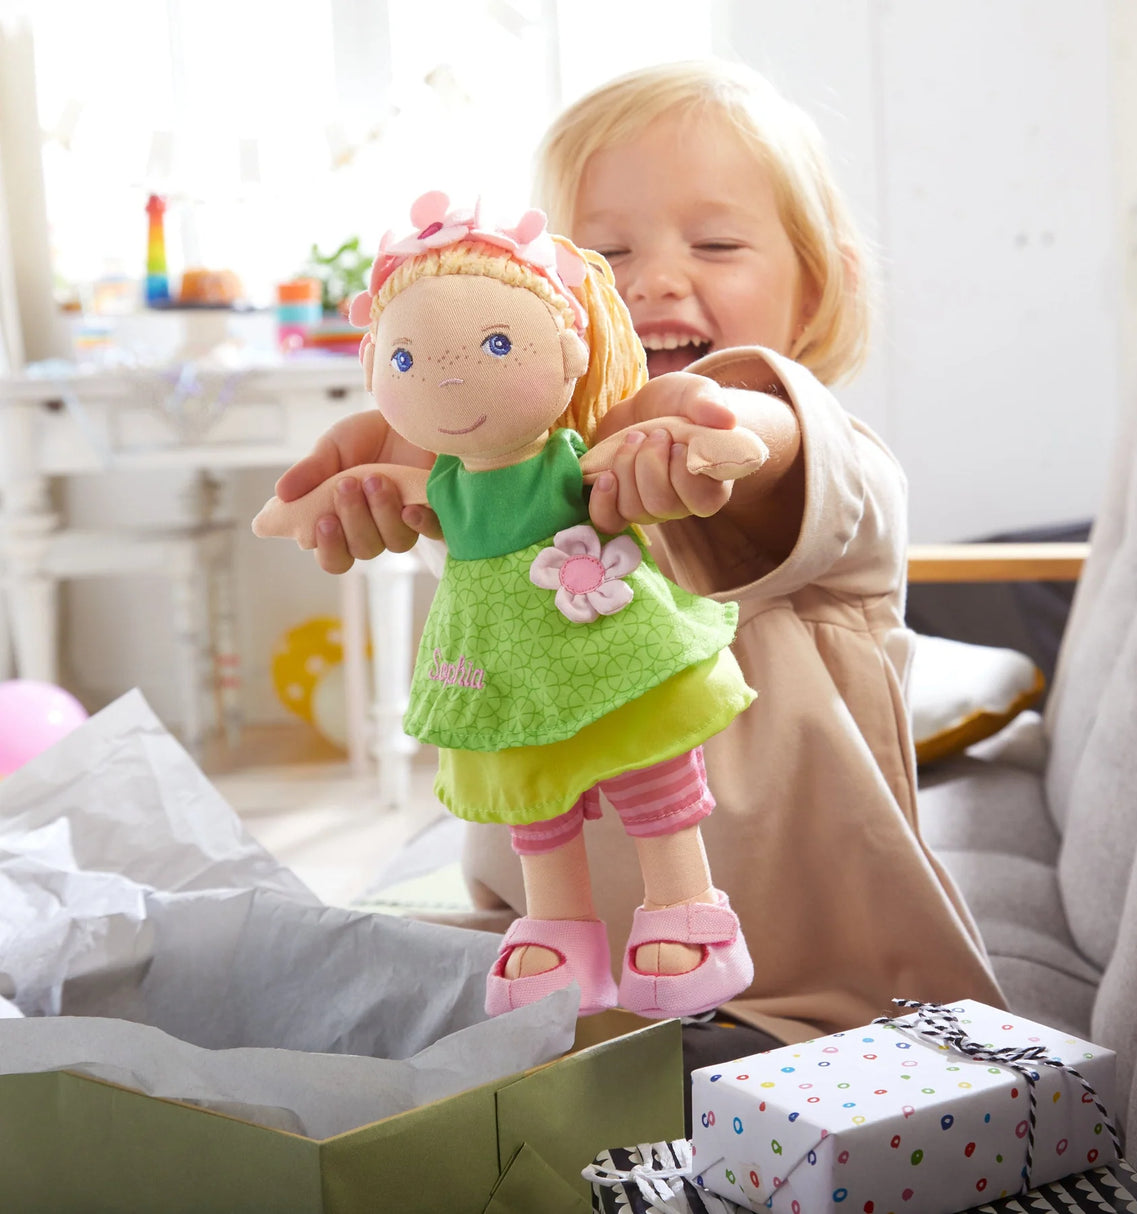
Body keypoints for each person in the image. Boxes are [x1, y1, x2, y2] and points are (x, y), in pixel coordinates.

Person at [275, 60, 1004, 1059]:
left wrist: (704, 424)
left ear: (814, 285)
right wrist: (406, 464)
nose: (652, 278)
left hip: (806, 1005)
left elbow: (770, 432)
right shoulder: (515, 483)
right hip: (547, 977)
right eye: (603, 253)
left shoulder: (821, 457)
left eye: (715, 243)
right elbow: (455, 516)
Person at [256, 194, 766, 1019]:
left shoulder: (570, 457)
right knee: (530, 786)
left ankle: (684, 908)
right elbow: (373, 488)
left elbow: (731, 438)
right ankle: (556, 930)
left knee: (645, 751)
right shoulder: (444, 483)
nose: (454, 376)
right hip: (494, 655)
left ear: (571, 350)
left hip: (600, 628)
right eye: (410, 362)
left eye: (498, 344)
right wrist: (303, 504)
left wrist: (707, 438)